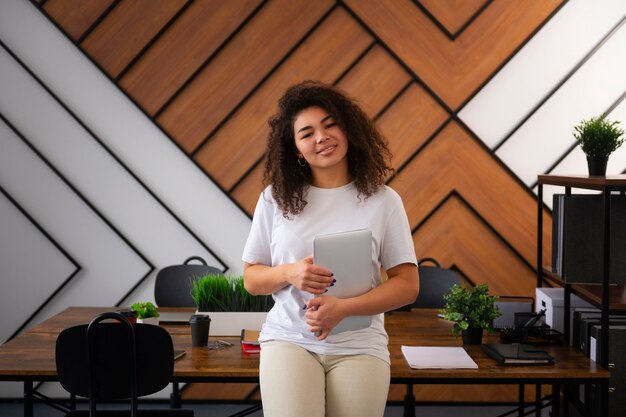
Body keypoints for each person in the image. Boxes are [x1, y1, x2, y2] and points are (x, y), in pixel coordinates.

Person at [242, 80, 419, 417]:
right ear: (295, 149)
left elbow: (408, 286)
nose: (321, 138)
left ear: (348, 130)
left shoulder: (384, 201)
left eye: (330, 125)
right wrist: (289, 273)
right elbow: (252, 279)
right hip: (289, 339)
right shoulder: (274, 199)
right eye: (306, 133)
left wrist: (344, 309)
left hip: (359, 345)